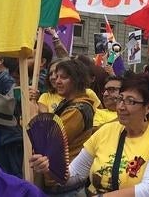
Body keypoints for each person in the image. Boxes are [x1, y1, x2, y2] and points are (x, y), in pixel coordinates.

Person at [30, 73, 149, 196]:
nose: (121, 107)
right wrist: (50, 168)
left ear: (148, 107)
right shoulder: (106, 131)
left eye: (130, 101)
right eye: (121, 99)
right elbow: (75, 175)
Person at [39, 59, 97, 196]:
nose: (57, 81)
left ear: (77, 80)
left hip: (64, 182)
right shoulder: (69, 104)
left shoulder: (77, 110)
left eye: (63, 77)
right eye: (56, 76)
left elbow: (50, 140)